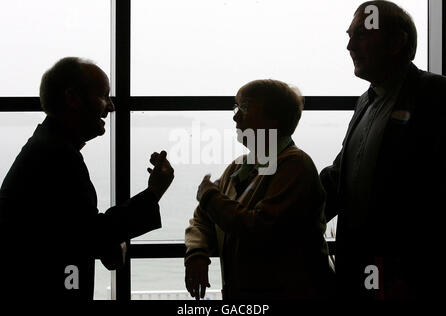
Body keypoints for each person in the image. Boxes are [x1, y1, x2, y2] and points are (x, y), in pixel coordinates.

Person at [0, 57, 174, 300]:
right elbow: (91, 235)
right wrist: (153, 192)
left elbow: (70, 231)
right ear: (72, 98)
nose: (111, 106)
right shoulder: (58, 155)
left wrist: (104, 243)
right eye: (104, 95)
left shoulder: (45, 148)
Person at [320, 1, 446, 299]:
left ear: (396, 42)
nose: (349, 45)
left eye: (361, 35)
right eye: (350, 35)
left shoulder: (436, 96)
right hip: (363, 271)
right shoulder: (366, 101)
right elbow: (342, 176)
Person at [185, 79, 332, 300]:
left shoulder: (296, 166)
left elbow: (258, 228)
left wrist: (208, 195)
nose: (235, 116)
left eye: (243, 107)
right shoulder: (240, 166)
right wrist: (197, 253)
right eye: (236, 108)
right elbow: (202, 218)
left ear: (273, 119)